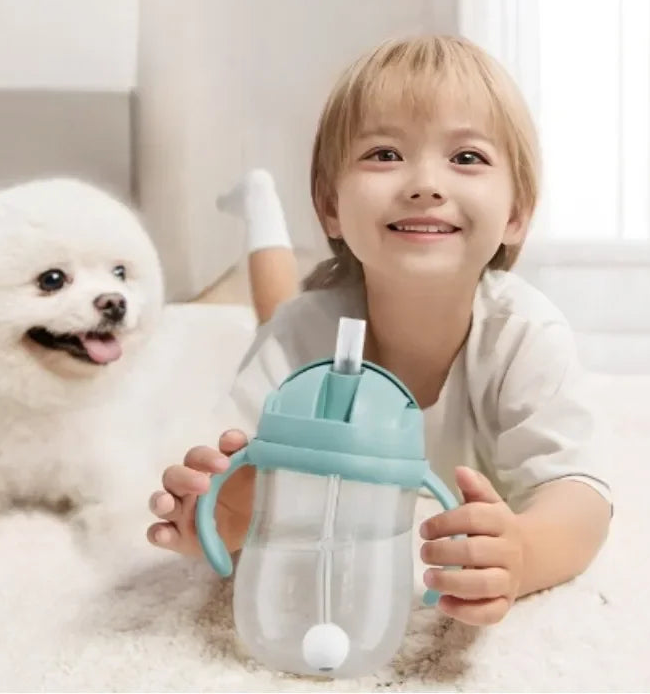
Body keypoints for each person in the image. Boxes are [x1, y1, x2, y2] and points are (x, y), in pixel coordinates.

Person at [146, 34, 613, 627]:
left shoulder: (525, 334)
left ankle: (263, 204)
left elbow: (581, 498)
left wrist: (524, 552)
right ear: (331, 206)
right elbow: (232, 475)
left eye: (466, 157)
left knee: (281, 308)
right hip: (309, 322)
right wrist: (220, 511)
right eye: (385, 154)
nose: (425, 184)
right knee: (277, 309)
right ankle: (262, 207)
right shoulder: (300, 333)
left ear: (517, 213)